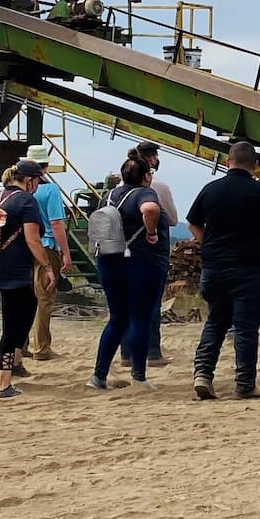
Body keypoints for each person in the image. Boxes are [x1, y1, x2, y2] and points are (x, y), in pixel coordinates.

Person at [186, 140, 260, 399]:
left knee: (216, 321)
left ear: (227, 163)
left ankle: (203, 374)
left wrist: (208, 243)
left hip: (214, 269)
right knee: (246, 328)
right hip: (247, 268)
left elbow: (192, 224)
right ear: (255, 165)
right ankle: (245, 385)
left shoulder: (210, 189)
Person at [0, 158, 59, 400]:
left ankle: (14, 362)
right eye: (37, 180)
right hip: (14, 269)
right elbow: (33, 239)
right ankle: (4, 383)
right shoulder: (26, 200)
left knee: (26, 309)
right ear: (29, 180)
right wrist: (47, 266)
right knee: (13, 324)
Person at [94, 157, 166, 389]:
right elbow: (150, 209)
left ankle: (99, 376)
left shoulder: (109, 196)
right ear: (146, 176)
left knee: (117, 319)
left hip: (108, 260)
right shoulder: (144, 193)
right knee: (140, 318)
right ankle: (139, 377)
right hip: (138, 261)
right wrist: (152, 233)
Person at [129, 141, 178, 367]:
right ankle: (153, 352)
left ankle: (126, 354)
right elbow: (173, 219)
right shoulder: (158, 186)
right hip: (152, 251)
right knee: (151, 304)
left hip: (124, 251)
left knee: (127, 304)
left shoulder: (118, 186)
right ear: (152, 160)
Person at [23, 146, 72, 362]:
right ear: (45, 167)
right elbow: (56, 223)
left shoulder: (20, 190)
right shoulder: (50, 190)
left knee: (25, 296)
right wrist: (66, 252)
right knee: (45, 297)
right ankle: (41, 348)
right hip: (47, 245)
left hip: (24, 246)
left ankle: (21, 345)